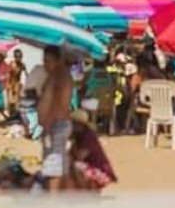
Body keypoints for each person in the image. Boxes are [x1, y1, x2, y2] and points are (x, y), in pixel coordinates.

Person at [37, 46, 73, 191]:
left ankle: (53, 200)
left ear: (58, 61)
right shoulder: (61, 76)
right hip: (59, 122)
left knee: (53, 163)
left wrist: (47, 126)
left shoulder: (57, 77)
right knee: (58, 162)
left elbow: (53, 104)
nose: (45, 65)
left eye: (48, 61)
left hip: (55, 123)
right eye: (44, 61)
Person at [69, 110, 117, 191]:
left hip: (100, 171)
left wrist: (70, 147)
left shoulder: (88, 136)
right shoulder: (79, 136)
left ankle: (85, 190)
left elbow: (79, 156)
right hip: (92, 167)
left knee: (74, 166)